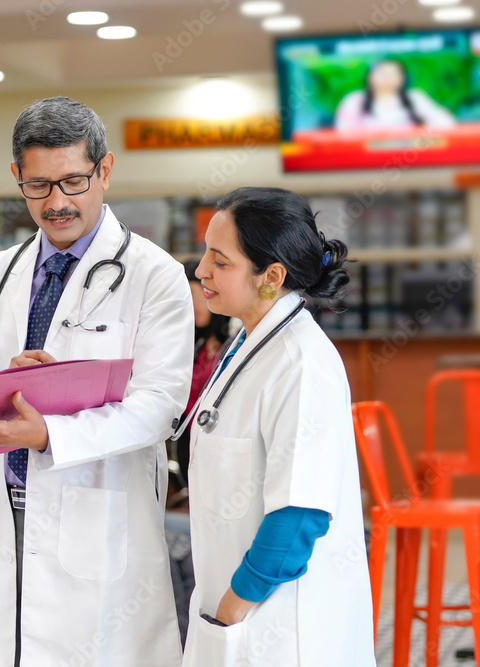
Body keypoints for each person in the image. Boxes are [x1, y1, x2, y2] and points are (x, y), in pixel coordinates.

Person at [0, 97, 194, 666]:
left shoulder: (153, 276)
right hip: (1, 506)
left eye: (74, 182)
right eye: (38, 186)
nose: (57, 203)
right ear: (17, 178)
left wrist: (49, 433)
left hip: (97, 509)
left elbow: (160, 406)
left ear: (104, 171)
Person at [181, 187, 374, 666]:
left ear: (271, 278)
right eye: (206, 252)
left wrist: (229, 613)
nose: (201, 269)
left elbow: (298, 519)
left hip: (279, 629)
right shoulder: (248, 342)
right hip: (240, 614)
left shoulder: (301, 363)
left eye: (220, 261)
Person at [174, 263, 232, 484]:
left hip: (217, 448)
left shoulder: (231, 343)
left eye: (196, 296)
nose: (193, 305)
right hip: (189, 445)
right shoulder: (194, 344)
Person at [335, 59, 455, 132]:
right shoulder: (354, 100)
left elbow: (445, 123)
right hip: (366, 160)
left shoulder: (416, 97)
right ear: (369, 76)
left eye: (394, 73)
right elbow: (344, 133)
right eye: (383, 73)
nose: (389, 77)